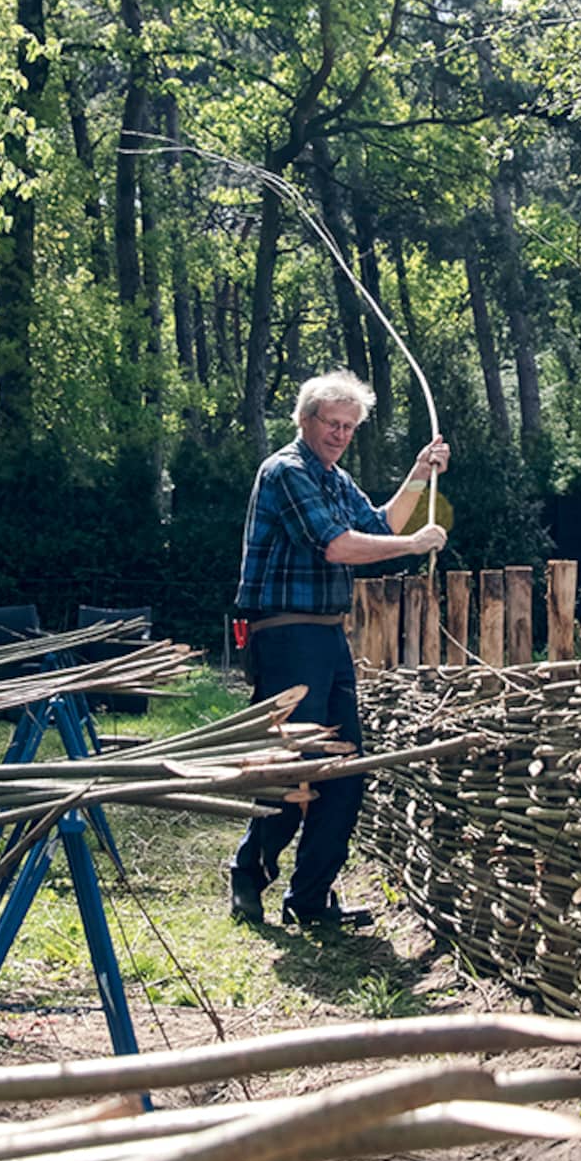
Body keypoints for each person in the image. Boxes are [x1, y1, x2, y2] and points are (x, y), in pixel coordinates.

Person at [229, 370, 449, 929]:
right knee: (294, 768)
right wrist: (414, 545)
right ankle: (248, 872)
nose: (341, 435)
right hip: (285, 636)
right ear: (306, 420)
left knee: (345, 768)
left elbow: (378, 522)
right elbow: (337, 546)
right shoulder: (286, 471)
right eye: (333, 423)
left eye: (350, 427)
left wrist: (419, 475)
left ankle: (310, 897)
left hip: (328, 634)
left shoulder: (334, 477)